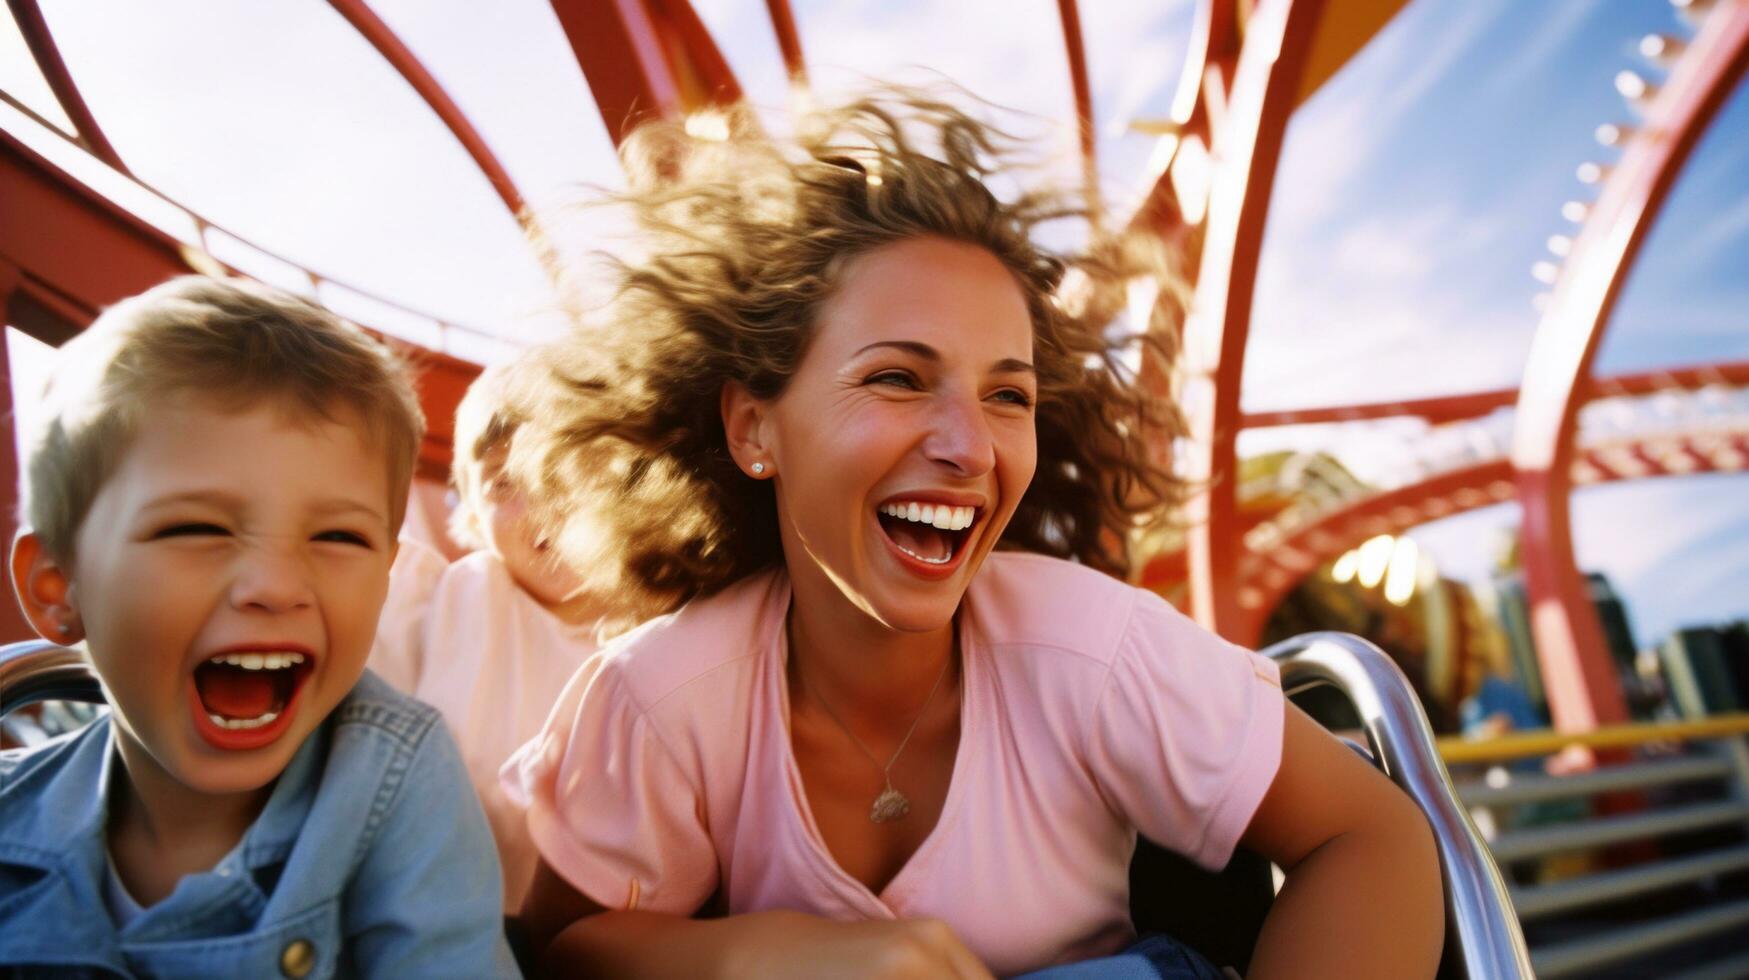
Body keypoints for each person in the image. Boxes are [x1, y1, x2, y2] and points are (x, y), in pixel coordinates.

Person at [505, 94, 1443, 978]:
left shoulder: (1096, 649)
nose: (968, 448)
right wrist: (757, 955)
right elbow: (566, 945)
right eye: (898, 379)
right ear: (754, 428)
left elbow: (1373, 835)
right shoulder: (659, 702)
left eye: (1007, 396)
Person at [0, 276, 519, 977]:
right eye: (197, 527)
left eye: (338, 537)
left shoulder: (393, 779)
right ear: (58, 588)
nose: (276, 586)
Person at [371, 354, 630, 911]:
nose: (543, 506)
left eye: (567, 469)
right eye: (503, 483)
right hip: (421, 917)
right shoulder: (442, 602)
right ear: (469, 511)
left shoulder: (663, 633)